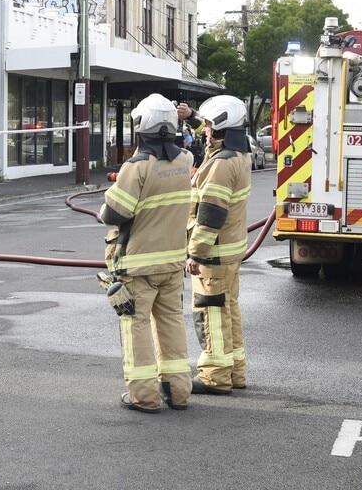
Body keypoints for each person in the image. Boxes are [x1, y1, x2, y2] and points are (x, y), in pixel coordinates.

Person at [98, 93, 194, 413]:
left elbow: (114, 213)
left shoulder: (136, 166)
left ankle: (145, 396)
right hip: (172, 261)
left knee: (135, 324)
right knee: (171, 324)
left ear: (141, 127)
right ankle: (179, 392)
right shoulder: (185, 162)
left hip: (138, 266)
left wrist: (105, 206)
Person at [185, 95, 252, 395]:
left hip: (213, 253)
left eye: (210, 125)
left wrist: (194, 253)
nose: (205, 130)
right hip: (230, 251)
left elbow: (211, 214)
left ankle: (215, 375)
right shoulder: (239, 155)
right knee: (228, 311)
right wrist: (192, 117)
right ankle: (234, 371)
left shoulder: (221, 165)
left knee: (210, 314)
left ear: (221, 128)